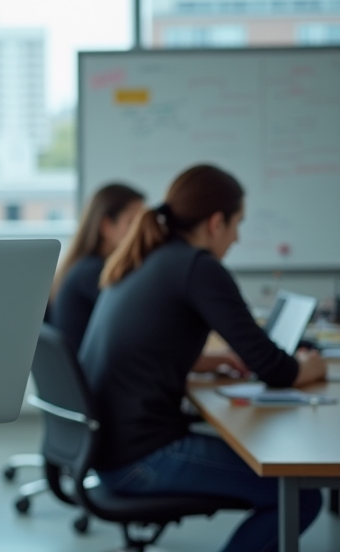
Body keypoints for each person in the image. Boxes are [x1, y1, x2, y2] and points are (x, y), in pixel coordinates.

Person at [79, 164, 327, 552]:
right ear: (216, 222)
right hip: (141, 458)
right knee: (300, 495)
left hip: (107, 450)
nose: (237, 237)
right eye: (237, 224)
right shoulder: (197, 267)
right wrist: (310, 367)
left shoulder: (147, 256)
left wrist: (218, 360)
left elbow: (148, 348)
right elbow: (275, 368)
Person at [48, 183, 145, 353]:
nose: (142, 232)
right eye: (133, 223)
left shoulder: (81, 266)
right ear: (106, 226)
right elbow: (137, 327)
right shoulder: (94, 272)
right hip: (93, 376)